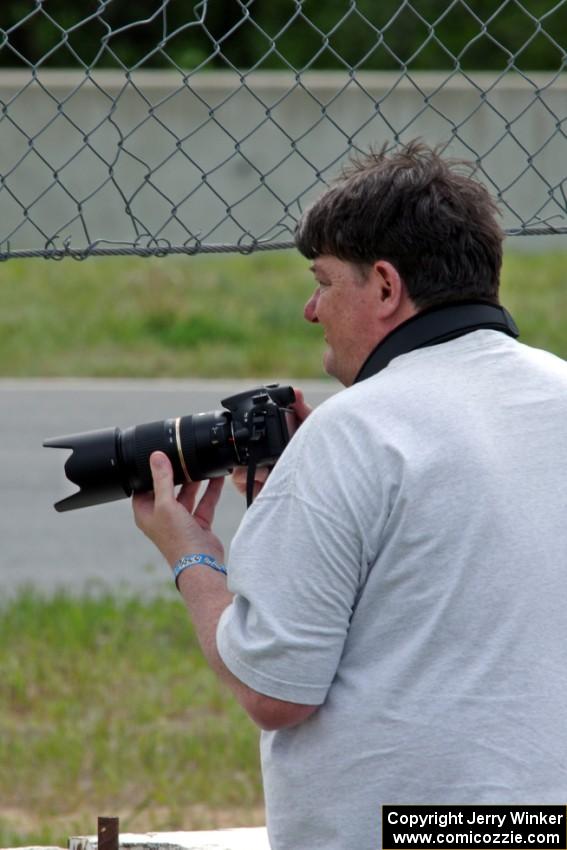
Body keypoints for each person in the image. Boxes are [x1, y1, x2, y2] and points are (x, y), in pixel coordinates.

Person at [133, 141, 567, 850]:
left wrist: (194, 558)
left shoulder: (352, 431)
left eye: (324, 281)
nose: (310, 309)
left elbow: (275, 690)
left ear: (386, 287)